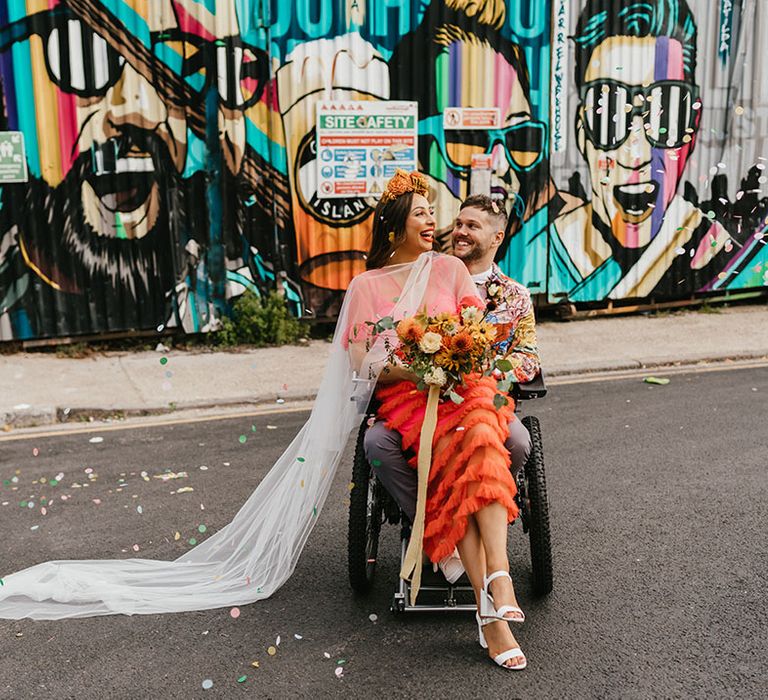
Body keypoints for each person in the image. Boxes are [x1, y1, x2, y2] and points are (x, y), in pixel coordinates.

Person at [348, 172, 527, 670]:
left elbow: (477, 331)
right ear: (394, 224)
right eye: (422, 212)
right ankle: (492, 616)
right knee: (455, 462)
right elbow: (360, 359)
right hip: (406, 392)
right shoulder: (366, 286)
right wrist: (413, 367)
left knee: (485, 437)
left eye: (432, 212)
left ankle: (499, 579)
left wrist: (453, 354)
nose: (434, 221)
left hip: (462, 386)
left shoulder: (450, 269)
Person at [364, 193, 540, 578]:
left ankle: (483, 519)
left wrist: (487, 372)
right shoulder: (426, 274)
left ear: (497, 237)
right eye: (458, 223)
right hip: (420, 396)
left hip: (483, 396)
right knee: (377, 444)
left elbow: (529, 357)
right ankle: (436, 527)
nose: (459, 231)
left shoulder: (515, 296)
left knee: (520, 441)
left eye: (472, 226)